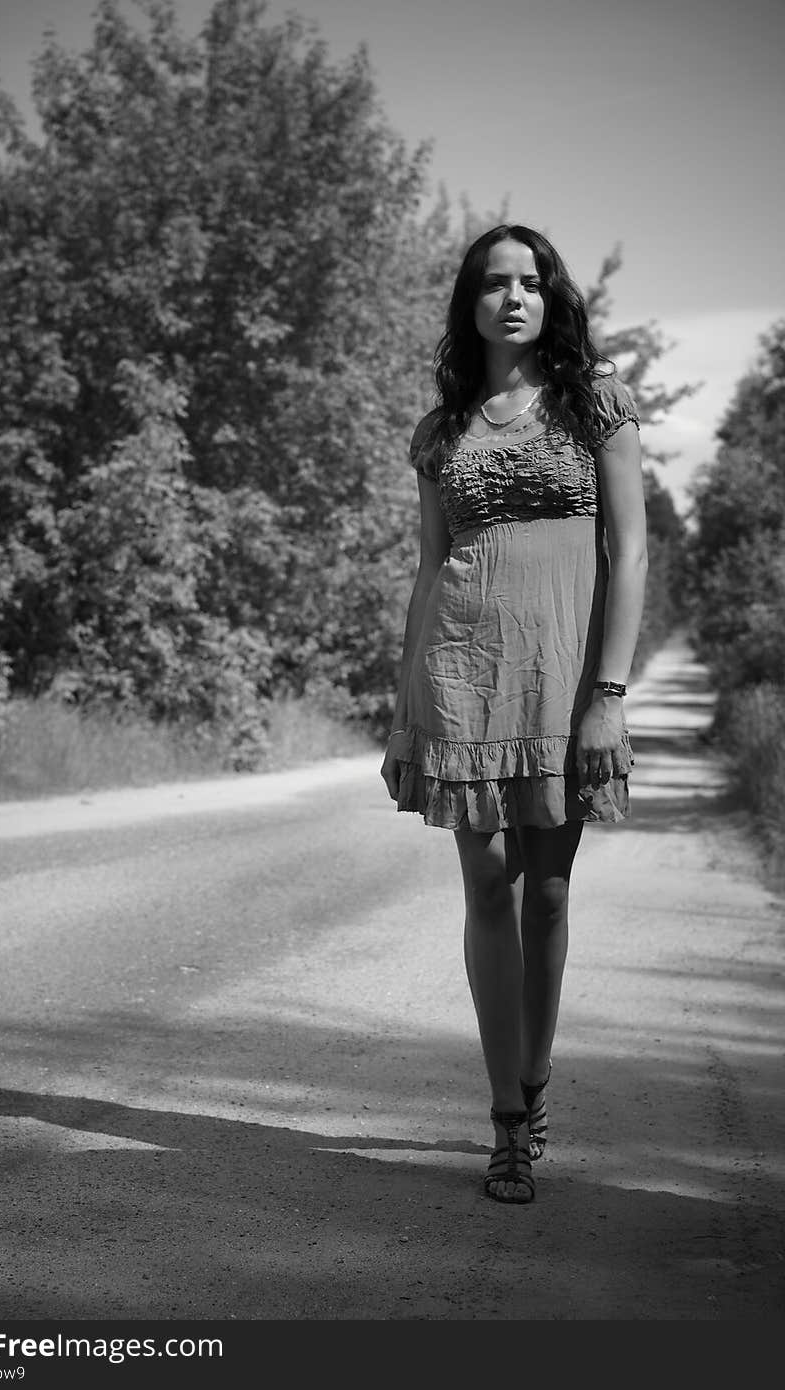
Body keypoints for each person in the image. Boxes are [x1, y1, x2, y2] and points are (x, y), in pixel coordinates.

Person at [380, 224, 647, 1205]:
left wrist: (608, 696)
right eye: (494, 283)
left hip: (565, 678)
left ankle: (536, 1080)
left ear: (551, 297)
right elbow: (425, 569)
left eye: (530, 282)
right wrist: (408, 699)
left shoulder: (597, 407)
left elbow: (631, 553)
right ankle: (503, 1119)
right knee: (488, 889)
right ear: (472, 303)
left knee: (547, 893)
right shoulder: (441, 431)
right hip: (460, 674)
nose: (514, 297)